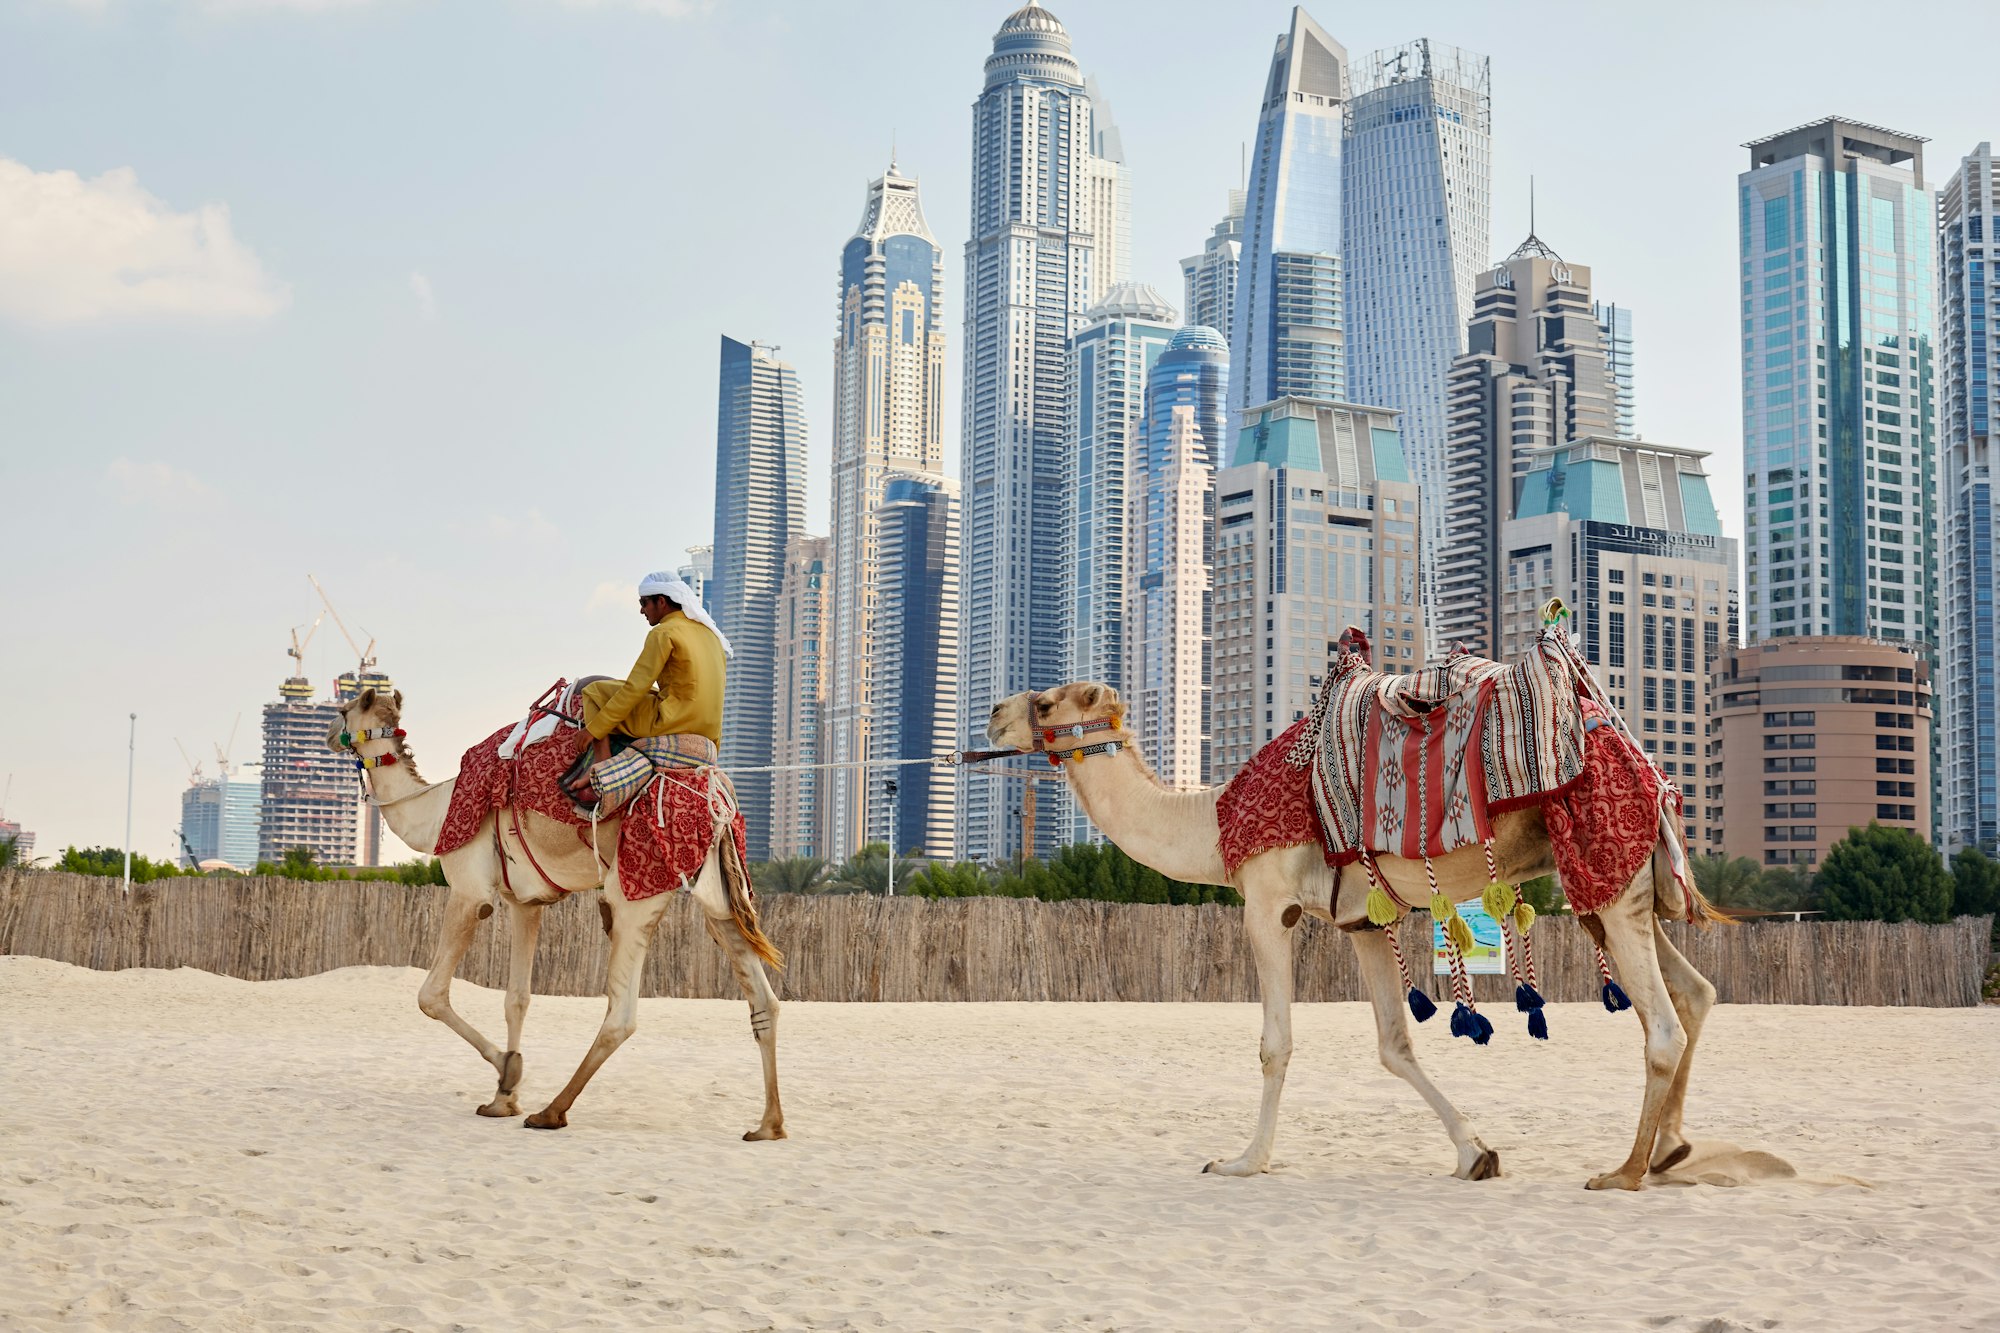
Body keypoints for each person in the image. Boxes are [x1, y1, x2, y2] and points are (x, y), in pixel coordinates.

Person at [571, 571, 730, 802]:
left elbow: (634, 688)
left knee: (595, 690)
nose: (641, 610)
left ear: (662, 601)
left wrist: (593, 730)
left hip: (671, 722)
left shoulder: (663, 632)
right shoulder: (711, 636)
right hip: (708, 732)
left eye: (644, 603)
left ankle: (601, 763)